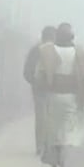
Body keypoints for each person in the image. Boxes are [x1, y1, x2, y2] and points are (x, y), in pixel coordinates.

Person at [34, 22, 84, 167]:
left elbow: (38, 76)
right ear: (72, 37)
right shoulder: (81, 55)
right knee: (68, 137)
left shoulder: (47, 52)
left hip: (52, 98)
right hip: (72, 100)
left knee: (52, 136)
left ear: (56, 37)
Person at [23, 26, 57, 156]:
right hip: (54, 90)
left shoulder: (35, 50)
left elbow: (26, 71)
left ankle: (40, 146)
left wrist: (34, 82)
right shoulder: (57, 50)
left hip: (39, 90)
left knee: (41, 118)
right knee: (53, 118)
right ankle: (50, 145)